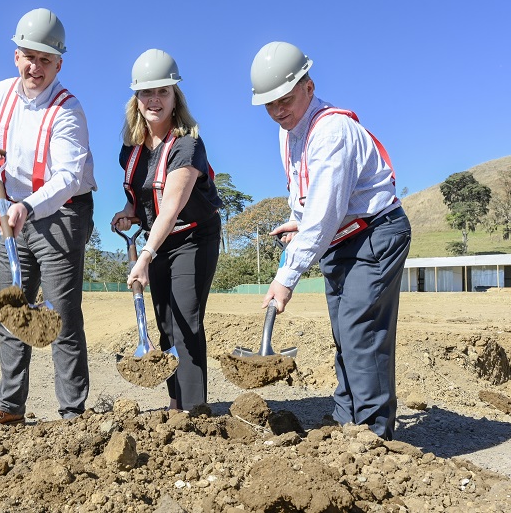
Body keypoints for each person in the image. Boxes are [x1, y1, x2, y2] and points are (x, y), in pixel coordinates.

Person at [250, 41, 411, 439]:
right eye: (269, 105)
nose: (277, 111)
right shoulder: (289, 132)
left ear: (308, 85)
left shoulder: (332, 131)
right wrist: (295, 220)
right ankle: (345, 425)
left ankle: (374, 438)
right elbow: (307, 197)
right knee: (345, 335)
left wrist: (286, 277)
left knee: (362, 334)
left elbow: (324, 214)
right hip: (341, 240)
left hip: (373, 234)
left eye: (284, 100)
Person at [0, 8, 96, 423]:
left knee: (59, 315)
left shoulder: (68, 110)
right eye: (28, 56)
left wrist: (27, 206)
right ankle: (11, 405)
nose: (35, 67)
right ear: (16, 55)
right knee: (11, 306)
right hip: (12, 211)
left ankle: (72, 412)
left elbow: (69, 177)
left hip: (61, 213)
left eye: (45, 60)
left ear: (59, 63)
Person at [111, 49, 223, 412]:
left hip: (193, 235)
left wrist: (144, 256)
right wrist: (130, 212)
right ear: (137, 99)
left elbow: (172, 206)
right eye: (146, 92)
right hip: (159, 238)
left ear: (175, 98)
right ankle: (176, 406)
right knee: (164, 322)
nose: (154, 100)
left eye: (163, 91)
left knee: (186, 319)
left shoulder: (188, 147)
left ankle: (195, 411)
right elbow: (144, 195)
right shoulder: (130, 150)